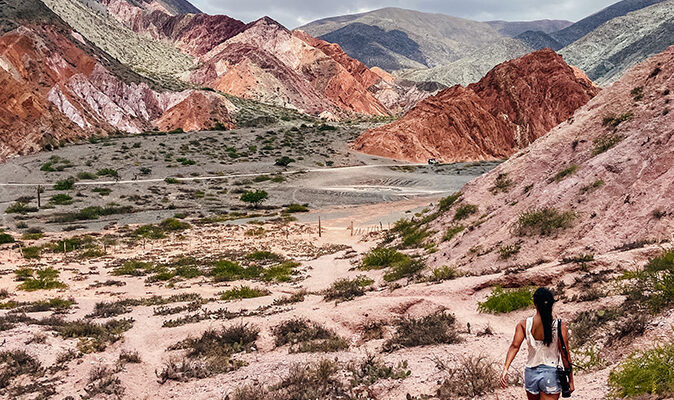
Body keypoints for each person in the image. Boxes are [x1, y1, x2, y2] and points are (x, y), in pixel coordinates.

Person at [500, 287, 574, 399]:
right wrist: (571, 380)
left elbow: (514, 346)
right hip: (551, 373)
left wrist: (506, 368)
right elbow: (565, 354)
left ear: (535, 303)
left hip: (531, 373)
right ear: (551, 304)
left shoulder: (524, 324)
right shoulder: (559, 326)